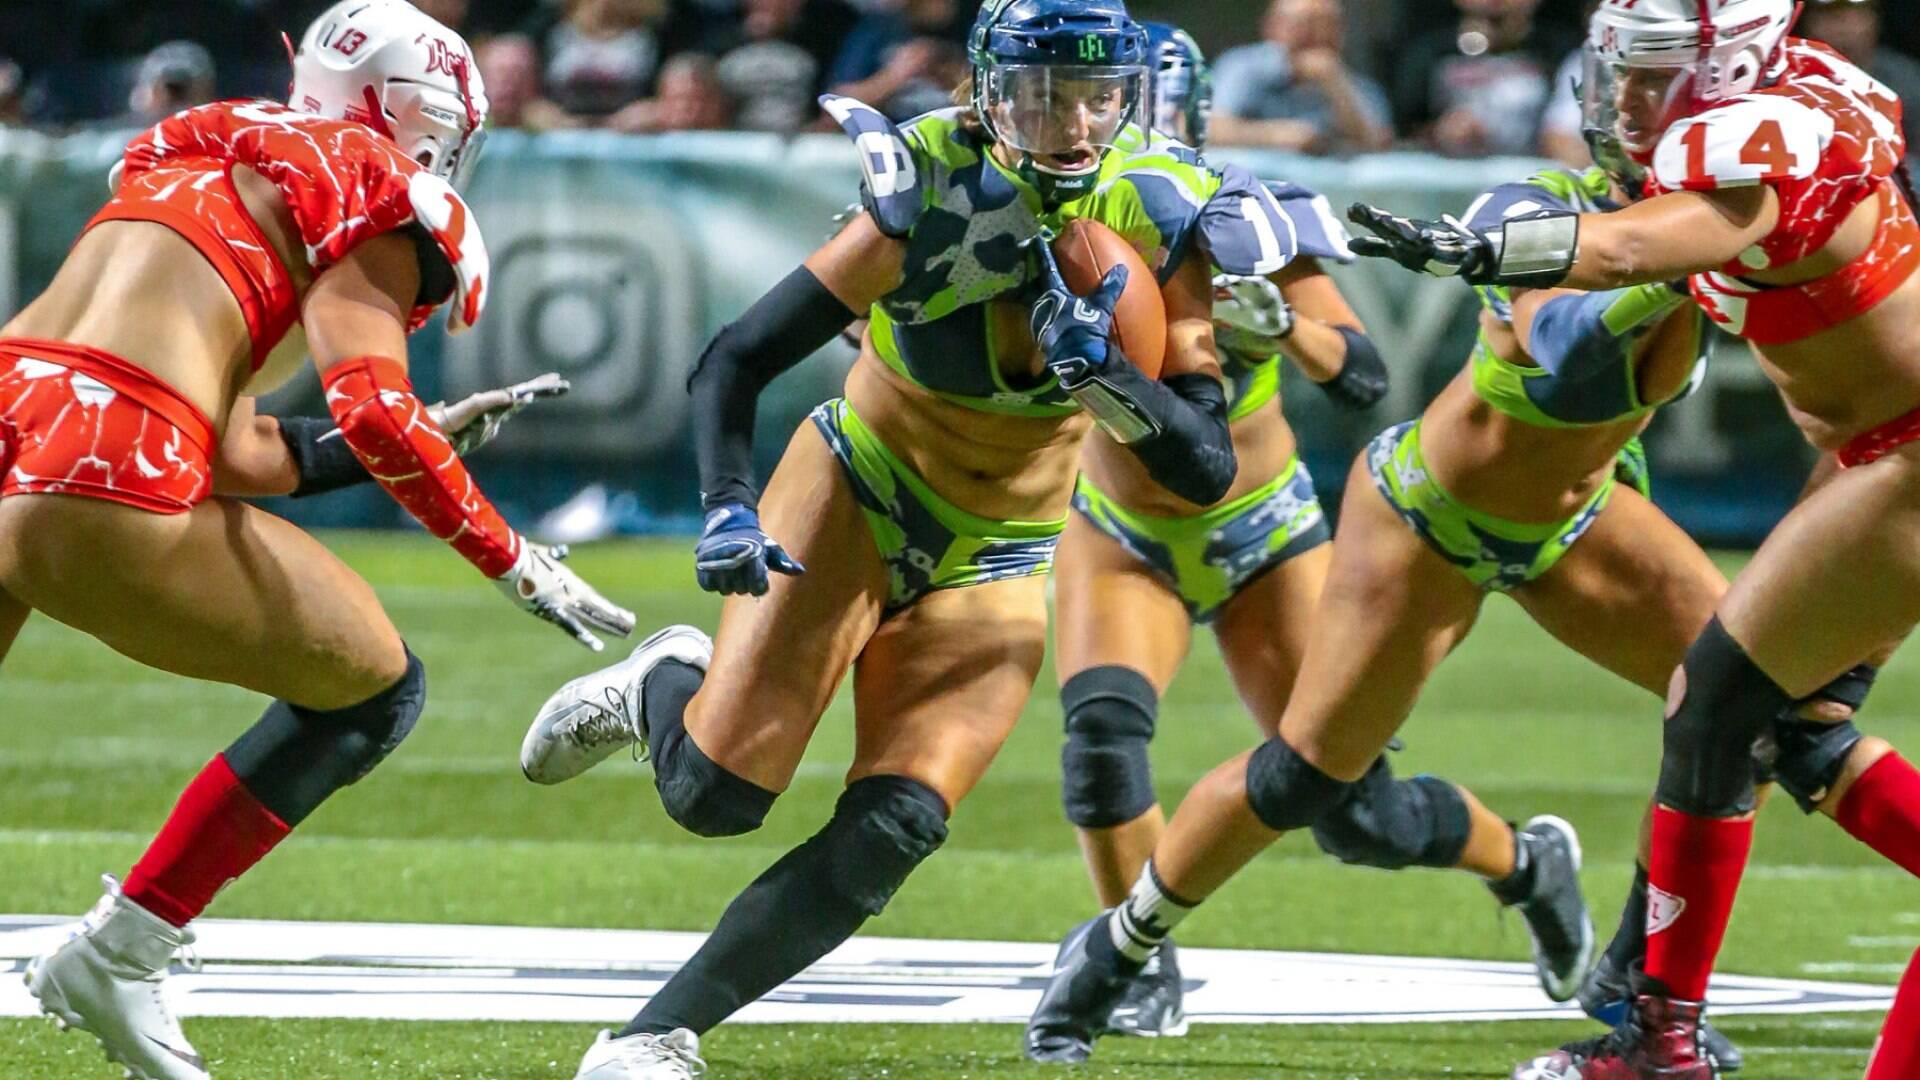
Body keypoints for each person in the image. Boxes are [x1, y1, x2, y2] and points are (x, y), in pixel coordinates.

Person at [516, 1, 1282, 1074]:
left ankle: (653, 1036)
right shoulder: (930, 187)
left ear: (1131, 99)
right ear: (986, 89)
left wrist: (1110, 379)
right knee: (718, 797)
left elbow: (1201, 466)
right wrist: (728, 504)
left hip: (1003, 546)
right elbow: (736, 357)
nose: (1067, 122)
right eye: (1039, 91)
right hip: (862, 489)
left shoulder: (1163, 210)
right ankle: (661, 690)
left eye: (1094, 94)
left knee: (899, 826)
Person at [12, 4, 632, 1078]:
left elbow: (233, 448)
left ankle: (116, 960)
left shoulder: (203, 153)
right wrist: (512, 556)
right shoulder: (372, 178)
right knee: (371, 690)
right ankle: (123, 950)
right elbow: (373, 410)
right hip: (101, 463)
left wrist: (393, 444)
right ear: (424, 119)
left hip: (17, 409)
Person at [1340, 1, 1920, 1074]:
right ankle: (1659, 1031)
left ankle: (1661, 1042)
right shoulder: (1791, 93)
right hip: (1873, 452)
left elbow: (1660, 237)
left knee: (1718, 711)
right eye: (1621, 70)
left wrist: (1501, 248)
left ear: (1731, 63)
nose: (1624, 99)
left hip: (1905, 452)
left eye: (1654, 73)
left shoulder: (1750, 142)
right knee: (1770, 720)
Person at [1030, 22, 1592, 1057]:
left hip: (1261, 535)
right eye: (1077, 102)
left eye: (1107, 102)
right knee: (1101, 745)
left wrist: (1281, 328)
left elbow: (1365, 377)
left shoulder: (1244, 209)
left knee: (1351, 810)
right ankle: (1138, 964)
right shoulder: (1044, 212)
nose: (1091, 124)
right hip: (1121, 528)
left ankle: (1524, 864)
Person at [1392, 0, 1578, 157]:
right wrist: (1440, 132)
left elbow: (1569, 121)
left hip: (1534, 170)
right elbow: (1404, 130)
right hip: (1450, 175)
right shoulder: (1428, 51)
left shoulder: (1561, 52)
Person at [1207, 0, 1393, 154]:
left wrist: (1335, 85)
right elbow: (1208, 129)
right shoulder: (1242, 67)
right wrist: (1274, 136)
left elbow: (1380, 146)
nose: (1318, 34)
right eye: (1305, 24)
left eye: (1329, 24)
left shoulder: (1359, 87)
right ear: (1273, 27)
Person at [1799, 0, 1920, 159]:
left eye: (1855, 16)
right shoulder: (1787, 76)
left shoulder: (1906, 79)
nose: (1844, 29)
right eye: (1833, 17)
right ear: (1808, 22)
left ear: (1874, 20)